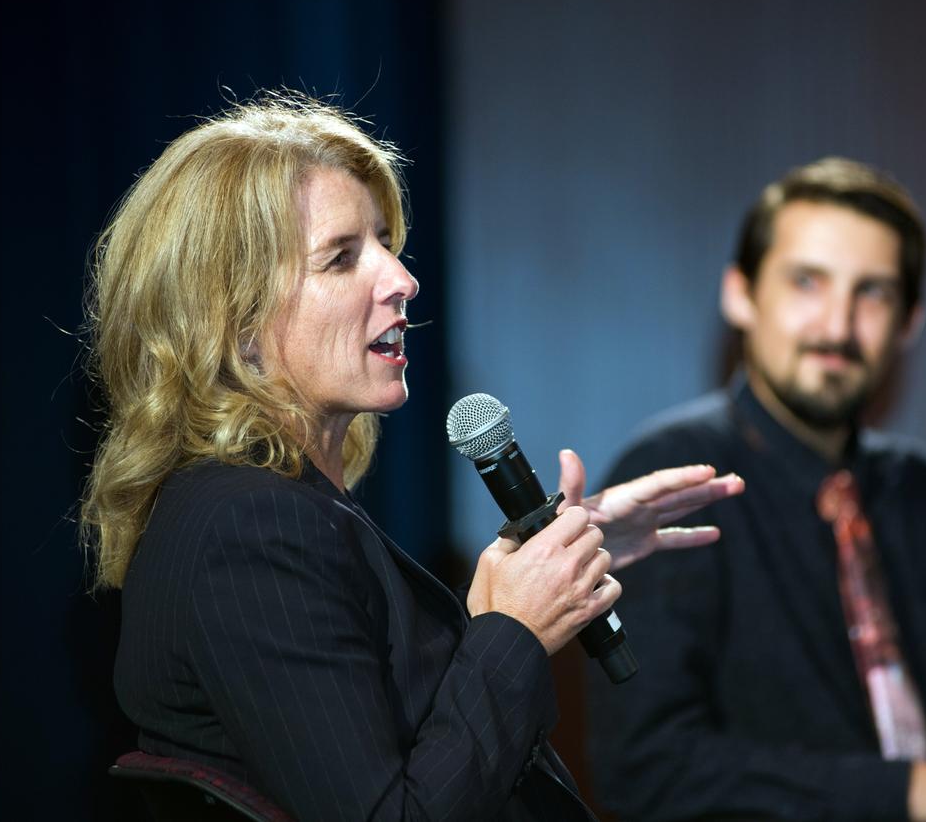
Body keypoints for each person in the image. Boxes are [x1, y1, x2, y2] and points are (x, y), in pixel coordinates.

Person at [80, 92, 742, 821]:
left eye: (386, 242)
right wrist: (513, 632)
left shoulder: (277, 508)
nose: (401, 279)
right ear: (233, 322)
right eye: (341, 257)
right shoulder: (250, 528)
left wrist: (552, 557)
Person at [584, 158, 926, 822]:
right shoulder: (671, 474)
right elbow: (647, 770)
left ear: (910, 321)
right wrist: (913, 791)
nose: (837, 325)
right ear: (739, 293)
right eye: (807, 281)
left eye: (873, 293)